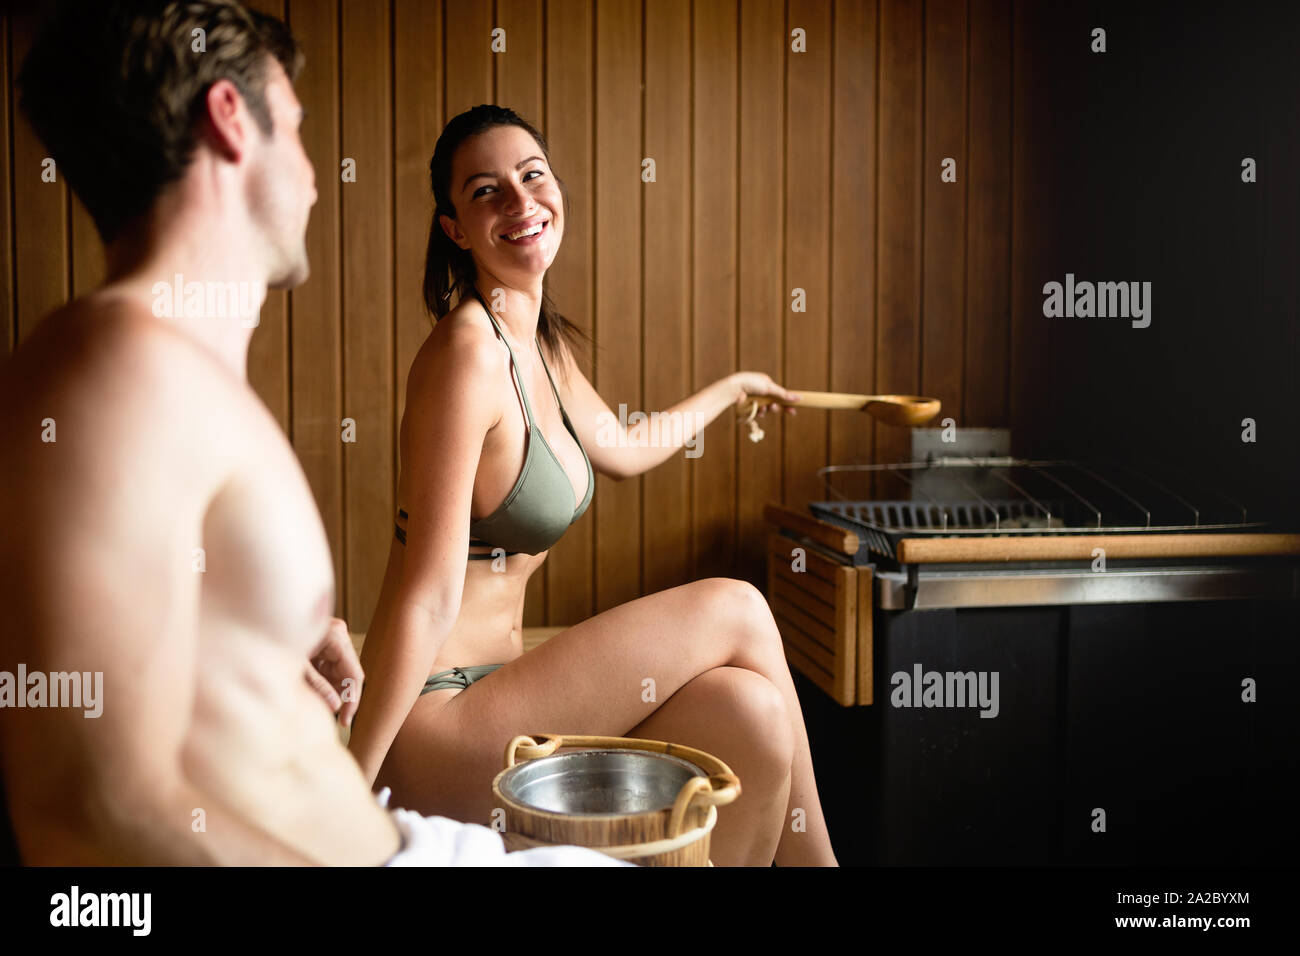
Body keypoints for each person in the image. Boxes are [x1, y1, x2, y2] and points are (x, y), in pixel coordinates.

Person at [0, 0, 625, 867]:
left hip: (390, 835)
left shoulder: (174, 370)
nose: (314, 176)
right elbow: (82, 808)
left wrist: (264, 641)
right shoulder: (112, 370)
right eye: (293, 131)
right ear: (230, 120)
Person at [345, 105, 840, 867]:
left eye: (532, 176)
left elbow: (626, 447)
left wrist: (735, 389)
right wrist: (349, 790)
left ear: (557, 189)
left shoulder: (541, 346)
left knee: (755, 715)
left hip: (504, 695)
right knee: (739, 606)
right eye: (486, 192)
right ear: (455, 228)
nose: (519, 202)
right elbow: (427, 596)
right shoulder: (467, 356)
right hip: (438, 720)